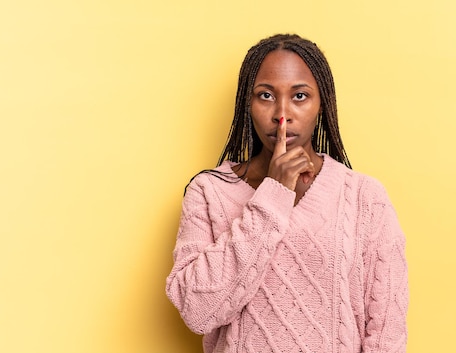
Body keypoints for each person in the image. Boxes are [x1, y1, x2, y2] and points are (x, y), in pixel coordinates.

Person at [166, 34, 408, 353]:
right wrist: (274, 194)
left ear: (321, 104)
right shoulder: (209, 192)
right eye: (265, 95)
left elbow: (386, 335)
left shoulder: (365, 197)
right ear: (246, 104)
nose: (282, 114)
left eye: (300, 96)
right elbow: (197, 312)